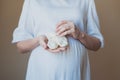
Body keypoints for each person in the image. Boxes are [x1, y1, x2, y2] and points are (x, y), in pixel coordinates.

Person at [12, 0, 104, 80]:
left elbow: (97, 44)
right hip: (42, 72)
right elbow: (20, 46)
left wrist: (80, 34)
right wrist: (39, 40)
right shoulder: (32, 1)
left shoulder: (86, 1)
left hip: (75, 74)